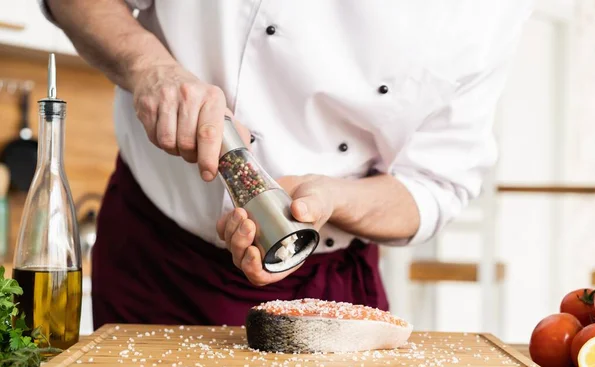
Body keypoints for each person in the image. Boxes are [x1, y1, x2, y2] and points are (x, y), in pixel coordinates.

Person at [40, 1, 532, 328]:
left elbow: (435, 185)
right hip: (157, 263)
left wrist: (331, 198)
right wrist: (150, 67)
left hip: (325, 296)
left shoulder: (492, 12)